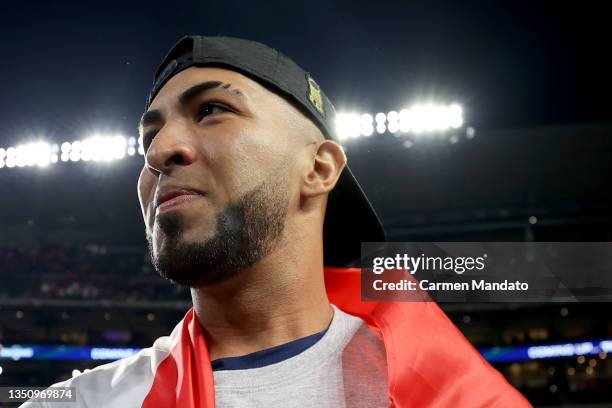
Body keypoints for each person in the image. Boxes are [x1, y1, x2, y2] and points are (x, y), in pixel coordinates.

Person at [23, 36, 530, 407]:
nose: (159, 151)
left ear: (318, 168)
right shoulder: (77, 403)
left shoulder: (455, 393)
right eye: (147, 139)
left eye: (212, 110)